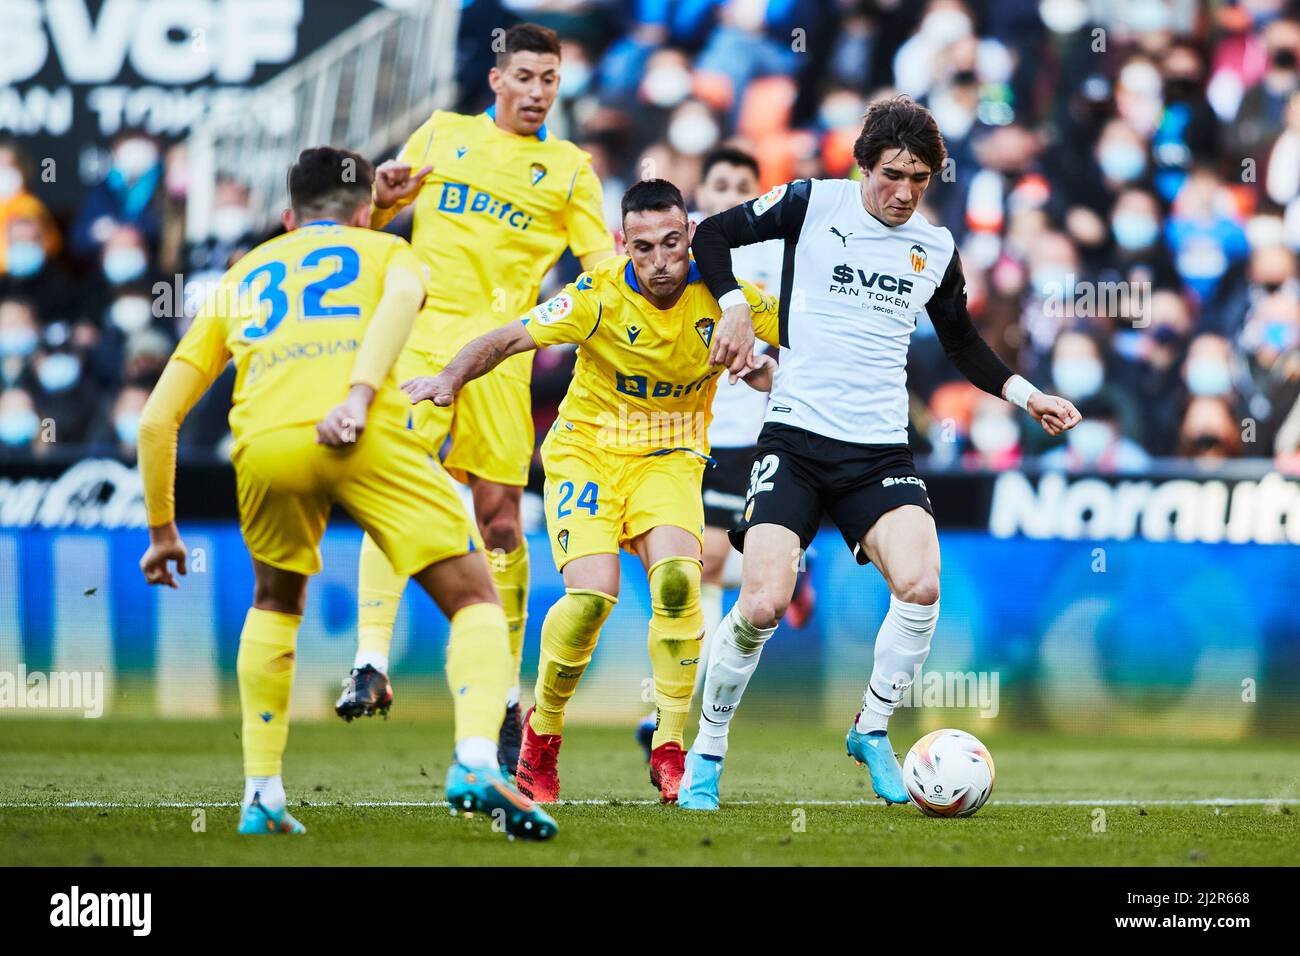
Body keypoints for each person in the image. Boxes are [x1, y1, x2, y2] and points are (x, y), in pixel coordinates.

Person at [135, 147, 555, 840]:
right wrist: (359, 396)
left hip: (267, 446)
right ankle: (478, 759)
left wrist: (161, 530)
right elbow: (398, 303)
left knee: (274, 604)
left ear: (285, 215)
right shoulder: (386, 252)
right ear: (366, 214)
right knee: (476, 597)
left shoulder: (241, 275)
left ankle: (261, 795)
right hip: (365, 438)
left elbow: (156, 418)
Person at [680, 95, 1082, 810]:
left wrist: (1028, 395)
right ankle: (706, 753)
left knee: (923, 584)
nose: (903, 192)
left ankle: (871, 728)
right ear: (864, 166)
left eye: (919, 178)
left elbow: (961, 343)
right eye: (892, 174)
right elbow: (710, 234)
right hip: (796, 437)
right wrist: (734, 304)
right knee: (765, 601)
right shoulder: (812, 203)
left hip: (877, 452)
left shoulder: (935, 248)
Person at [403, 179, 779, 803]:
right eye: (643, 248)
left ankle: (669, 748)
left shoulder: (731, 299)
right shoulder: (594, 296)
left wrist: (769, 372)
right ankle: (540, 739)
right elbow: (506, 338)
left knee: (682, 582)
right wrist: (450, 376)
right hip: (587, 455)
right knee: (592, 598)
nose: (660, 263)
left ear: (691, 235)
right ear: (621, 246)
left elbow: (814, 337)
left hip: (671, 454)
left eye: (672, 243)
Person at [338, 24, 614, 783]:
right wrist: (377, 200)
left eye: (550, 79)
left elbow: (602, 274)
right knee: (398, 483)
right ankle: (368, 659)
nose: (536, 91)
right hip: (420, 344)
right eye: (524, 75)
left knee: (499, 520)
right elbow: (369, 225)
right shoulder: (443, 133)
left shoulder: (568, 170)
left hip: (499, 359)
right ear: (496, 80)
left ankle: (505, 702)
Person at [632, 146, 787, 760]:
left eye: (740, 185)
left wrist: (770, 366)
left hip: (747, 433)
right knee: (680, 568)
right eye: (718, 183)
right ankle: (675, 703)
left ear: (756, 192)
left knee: (713, 560)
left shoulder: (776, 255)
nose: (728, 193)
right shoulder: (682, 257)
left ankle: (675, 707)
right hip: (678, 430)